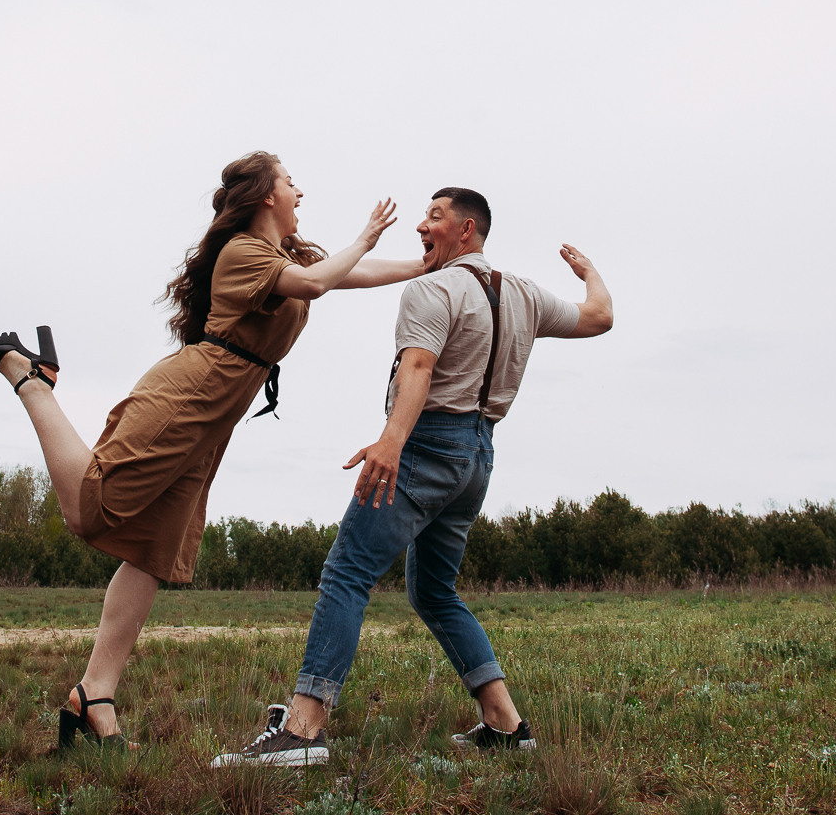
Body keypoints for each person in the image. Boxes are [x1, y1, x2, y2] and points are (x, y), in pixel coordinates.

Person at [0, 151, 426, 748]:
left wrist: (425, 265)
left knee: (152, 551)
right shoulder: (244, 252)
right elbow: (320, 281)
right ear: (267, 195)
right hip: (188, 396)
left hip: (215, 416)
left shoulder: (287, 258)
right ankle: (31, 378)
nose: (299, 191)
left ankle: (94, 695)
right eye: (291, 183)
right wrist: (365, 236)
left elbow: (346, 276)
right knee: (90, 508)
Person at [214, 186, 613, 767]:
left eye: (434, 217)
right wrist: (589, 271)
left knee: (347, 572)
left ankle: (302, 731)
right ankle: (505, 723)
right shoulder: (523, 292)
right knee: (433, 591)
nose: (422, 226)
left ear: (466, 230)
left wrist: (390, 444)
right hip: (477, 456)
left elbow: (418, 368)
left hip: (426, 446)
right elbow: (599, 316)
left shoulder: (432, 288)